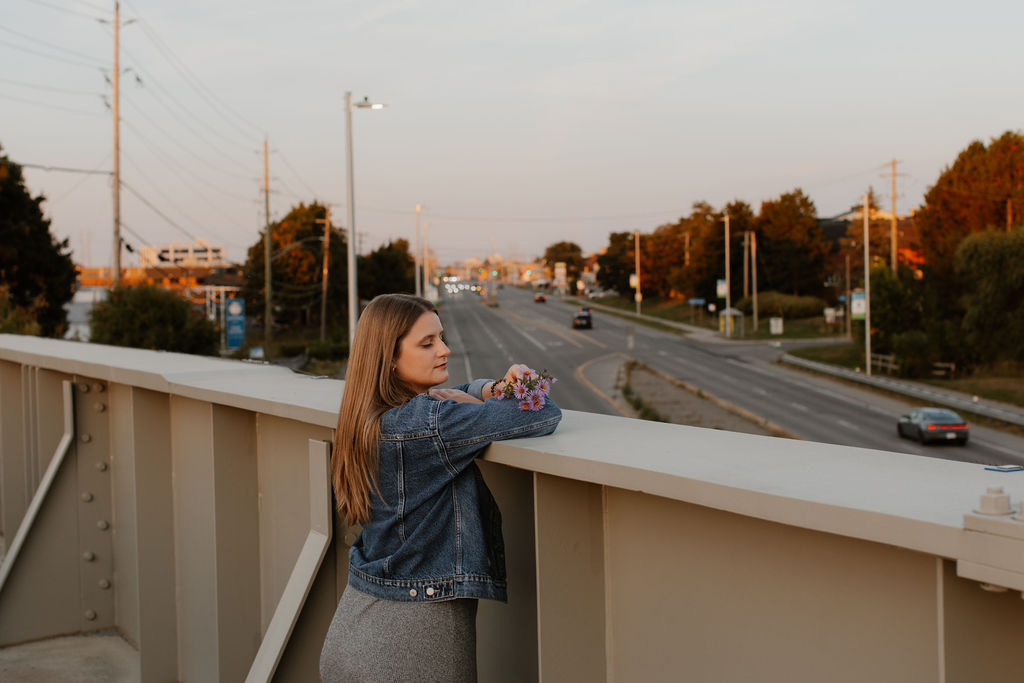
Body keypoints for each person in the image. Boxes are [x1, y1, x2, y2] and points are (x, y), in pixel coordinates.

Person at [320, 293, 562, 682]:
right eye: (427, 343)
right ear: (390, 358)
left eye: (441, 337)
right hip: (414, 638)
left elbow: (447, 399)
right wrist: (523, 381)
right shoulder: (429, 422)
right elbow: (542, 411)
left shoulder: (370, 416)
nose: (445, 349)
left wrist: (485, 390)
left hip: (356, 628)